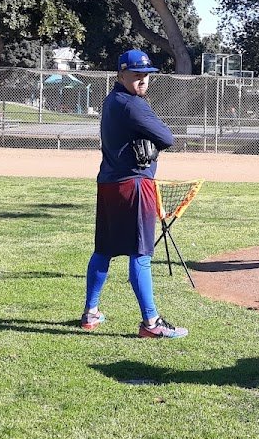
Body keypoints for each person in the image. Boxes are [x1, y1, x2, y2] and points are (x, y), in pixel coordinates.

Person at [81, 49, 188, 339]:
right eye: (136, 74)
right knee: (140, 253)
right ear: (121, 75)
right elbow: (167, 138)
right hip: (134, 185)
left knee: (103, 250)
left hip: (109, 183)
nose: (142, 80)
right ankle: (151, 324)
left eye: (146, 75)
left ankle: (90, 313)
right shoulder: (133, 105)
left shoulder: (111, 99)